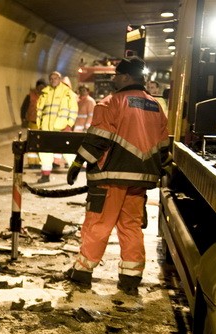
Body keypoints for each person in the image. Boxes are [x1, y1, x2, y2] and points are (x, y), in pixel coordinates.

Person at [64, 57, 170, 296]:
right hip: (140, 180)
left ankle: (82, 271)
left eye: (116, 75)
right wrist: (160, 167)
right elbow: (163, 144)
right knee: (131, 226)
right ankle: (131, 278)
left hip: (110, 176)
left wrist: (78, 162)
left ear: (126, 77)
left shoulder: (110, 103)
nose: (113, 79)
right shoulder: (155, 106)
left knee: (99, 223)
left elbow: (98, 139)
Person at [35, 71, 78, 183]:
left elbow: (73, 110)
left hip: (62, 128)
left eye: (56, 78)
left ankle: (73, 174)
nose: (53, 80)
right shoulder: (45, 92)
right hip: (46, 129)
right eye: (51, 78)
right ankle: (45, 176)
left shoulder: (67, 92)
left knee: (68, 153)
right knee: (45, 153)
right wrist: (40, 125)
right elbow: (39, 111)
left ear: (60, 79)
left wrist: (69, 125)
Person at [21, 79, 47, 168]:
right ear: (36, 87)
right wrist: (23, 118)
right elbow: (24, 108)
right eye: (39, 87)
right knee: (32, 142)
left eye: (43, 87)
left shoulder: (47, 96)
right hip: (33, 122)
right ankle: (32, 162)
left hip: (43, 124)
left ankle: (39, 161)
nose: (41, 89)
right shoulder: (30, 96)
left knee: (41, 143)